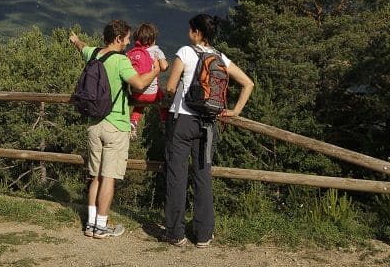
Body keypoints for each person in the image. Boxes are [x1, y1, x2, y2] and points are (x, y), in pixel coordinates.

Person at [162, 14, 254, 248]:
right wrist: (235, 111)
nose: (188, 33)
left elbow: (171, 87)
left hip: (182, 121)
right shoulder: (220, 57)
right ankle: (203, 234)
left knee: (177, 176)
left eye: (190, 29)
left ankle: (175, 232)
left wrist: (170, 96)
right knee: (203, 177)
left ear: (196, 33)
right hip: (208, 123)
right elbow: (248, 83)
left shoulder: (185, 52)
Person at [70, 20, 161, 239]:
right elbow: (139, 84)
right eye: (127, 38)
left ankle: (90, 225)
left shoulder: (93, 54)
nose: (129, 42)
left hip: (94, 125)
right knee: (109, 177)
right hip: (116, 125)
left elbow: (82, 46)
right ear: (118, 38)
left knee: (96, 176)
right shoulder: (120, 61)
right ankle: (101, 226)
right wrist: (156, 71)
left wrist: (75, 40)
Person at [127, 22, 169, 139]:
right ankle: (164, 120)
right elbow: (164, 67)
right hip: (152, 95)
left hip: (136, 94)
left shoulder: (132, 53)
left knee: (139, 106)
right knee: (163, 96)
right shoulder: (156, 50)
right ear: (153, 39)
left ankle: (134, 122)